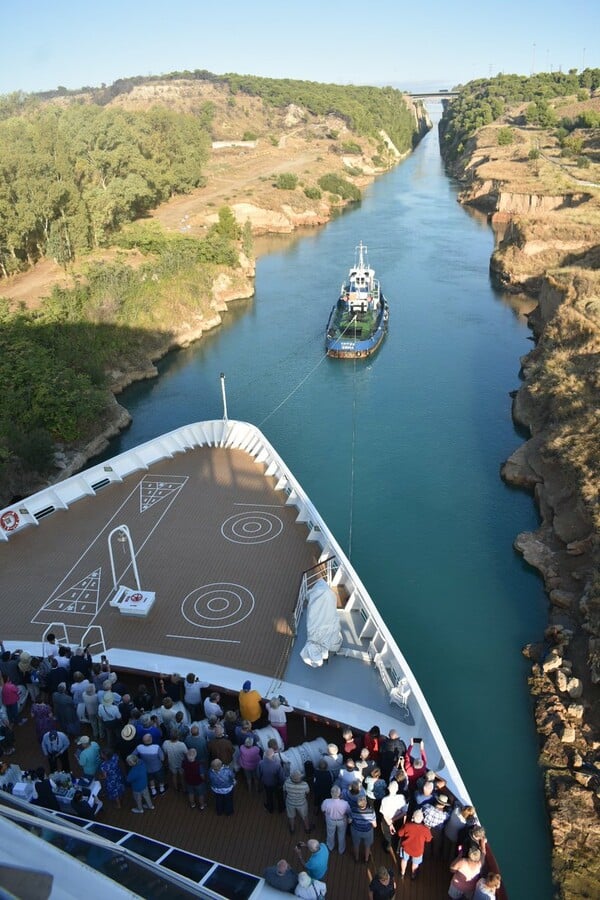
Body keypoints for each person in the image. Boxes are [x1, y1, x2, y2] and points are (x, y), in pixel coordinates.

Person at [396, 808, 432, 881]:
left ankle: (402, 873)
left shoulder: (407, 825)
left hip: (406, 848)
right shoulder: (425, 829)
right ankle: (413, 875)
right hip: (418, 850)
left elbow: (400, 834)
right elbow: (428, 839)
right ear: (422, 819)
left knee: (404, 860)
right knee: (415, 863)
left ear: (413, 817)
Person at [379, 780, 408, 853]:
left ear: (388, 788)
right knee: (398, 834)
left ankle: (388, 847)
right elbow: (404, 812)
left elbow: (384, 815)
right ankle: (397, 849)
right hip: (398, 820)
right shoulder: (401, 797)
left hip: (387, 820)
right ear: (397, 789)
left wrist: (390, 823)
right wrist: (394, 819)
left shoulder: (384, 800)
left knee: (387, 835)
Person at [321, 785, 350, 855]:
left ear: (331, 793)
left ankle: (330, 847)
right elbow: (348, 812)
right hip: (342, 821)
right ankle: (341, 850)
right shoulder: (345, 803)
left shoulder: (326, 801)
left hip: (330, 820)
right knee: (341, 835)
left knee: (330, 834)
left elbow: (322, 809)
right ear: (340, 794)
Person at [422, 792, 451, 858]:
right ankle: (435, 857)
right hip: (437, 831)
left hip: (426, 828)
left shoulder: (427, 807)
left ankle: (426, 856)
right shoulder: (444, 815)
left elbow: (422, 810)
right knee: (436, 844)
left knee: (427, 843)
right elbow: (449, 816)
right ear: (444, 805)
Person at [349, 795, 377, 863]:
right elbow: (375, 825)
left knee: (356, 845)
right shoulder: (371, 811)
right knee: (367, 845)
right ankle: (366, 859)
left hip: (356, 831)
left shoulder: (353, 810)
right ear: (366, 803)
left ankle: (356, 858)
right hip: (367, 831)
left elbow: (349, 821)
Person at [284, 770, 312, 835]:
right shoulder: (304, 784)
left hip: (290, 803)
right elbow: (307, 792)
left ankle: (292, 829)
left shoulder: (287, 782)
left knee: (291, 816)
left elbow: (284, 790)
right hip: (301, 804)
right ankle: (307, 829)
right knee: (305, 816)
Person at [258, 747, 285, 813]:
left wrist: (261, 780)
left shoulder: (261, 763)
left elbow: (258, 773)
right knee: (279, 797)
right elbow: (281, 777)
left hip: (266, 784)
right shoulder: (277, 765)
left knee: (269, 796)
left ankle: (270, 809)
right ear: (273, 755)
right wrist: (282, 784)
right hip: (276, 784)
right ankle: (281, 809)